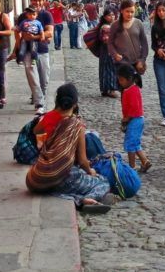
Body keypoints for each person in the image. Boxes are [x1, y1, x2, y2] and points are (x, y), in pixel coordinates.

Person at [25, 83, 120, 213]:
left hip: (35, 179)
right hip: (60, 176)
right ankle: (86, 199)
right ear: (75, 104)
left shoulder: (50, 116)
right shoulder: (77, 126)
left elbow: (36, 131)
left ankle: (78, 197)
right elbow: (82, 161)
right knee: (102, 182)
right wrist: (90, 171)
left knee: (61, 179)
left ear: (57, 101)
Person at [10, 0, 54, 115]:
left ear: (43, 1)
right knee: (33, 77)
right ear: (31, 1)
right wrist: (16, 50)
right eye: (35, 0)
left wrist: (33, 37)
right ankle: (39, 103)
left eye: (39, 0)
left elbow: (49, 32)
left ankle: (40, 96)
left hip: (43, 50)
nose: (37, 3)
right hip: (28, 51)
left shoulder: (46, 15)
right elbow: (18, 34)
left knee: (44, 79)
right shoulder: (23, 16)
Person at [116, 63, 151, 173]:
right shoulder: (129, 89)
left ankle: (132, 166)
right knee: (135, 143)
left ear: (129, 79)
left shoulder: (132, 90)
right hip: (136, 120)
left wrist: (127, 118)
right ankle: (145, 161)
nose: (120, 82)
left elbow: (135, 107)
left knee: (131, 144)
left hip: (135, 120)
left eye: (121, 80)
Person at [109, 0, 149, 80]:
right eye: (127, 11)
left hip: (136, 62)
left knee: (136, 88)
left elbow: (144, 43)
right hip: (121, 62)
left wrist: (142, 60)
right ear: (121, 11)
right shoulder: (115, 25)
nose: (130, 14)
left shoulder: (138, 23)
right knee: (124, 88)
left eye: (132, 12)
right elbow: (110, 43)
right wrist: (115, 54)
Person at [97, 7, 119, 98]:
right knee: (111, 69)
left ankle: (105, 89)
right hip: (108, 51)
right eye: (109, 15)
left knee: (105, 70)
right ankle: (111, 89)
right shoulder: (106, 27)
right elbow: (106, 40)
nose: (112, 17)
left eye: (113, 15)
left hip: (106, 51)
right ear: (105, 17)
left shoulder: (112, 25)